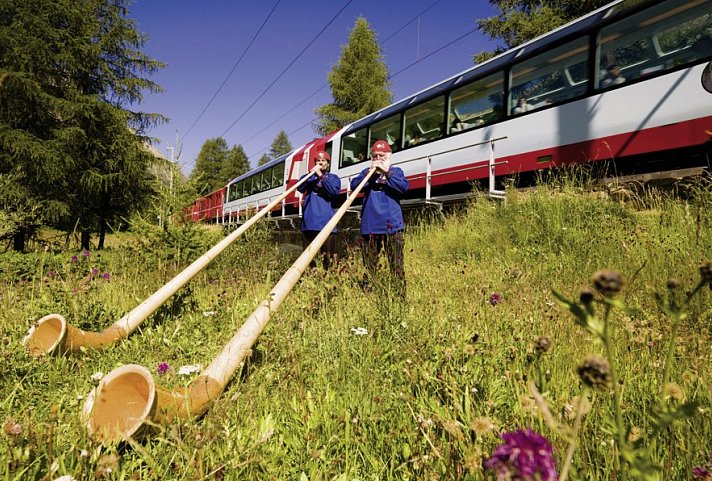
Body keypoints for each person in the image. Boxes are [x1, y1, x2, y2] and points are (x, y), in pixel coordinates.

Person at [350, 140, 410, 297]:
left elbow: (403, 188)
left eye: (382, 156)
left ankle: (399, 297)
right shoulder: (366, 173)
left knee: (396, 265)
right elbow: (354, 186)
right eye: (375, 156)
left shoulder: (396, 171)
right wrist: (368, 174)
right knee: (369, 265)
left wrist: (386, 172)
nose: (378, 158)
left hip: (392, 226)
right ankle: (369, 295)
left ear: (389, 156)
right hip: (370, 226)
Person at [297, 150, 341, 269]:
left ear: (328, 163)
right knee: (308, 259)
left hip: (327, 224)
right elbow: (299, 187)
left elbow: (333, 191)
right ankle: (310, 281)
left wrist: (321, 176)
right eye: (318, 161)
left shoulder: (333, 178)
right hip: (309, 224)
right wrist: (310, 175)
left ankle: (329, 282)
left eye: (323, 161)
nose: (320, 163)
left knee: (329, 259)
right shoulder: (309, 178)